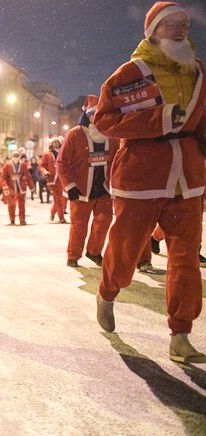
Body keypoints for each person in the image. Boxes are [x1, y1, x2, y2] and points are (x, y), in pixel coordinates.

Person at [94, 2, 206, 363]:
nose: (179, 29)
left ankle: (181, 335)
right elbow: (105, 121)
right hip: (140, 176)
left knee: (186, 259)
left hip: (187, 178)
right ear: (154, 31)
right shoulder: (130, 73)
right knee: (126, 251)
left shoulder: (200, 72)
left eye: (183, 23)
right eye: (170, 24)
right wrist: (157, 119)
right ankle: (108, 292)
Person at [57, 96, 119, 268]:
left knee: (104, 221)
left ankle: (94, 252)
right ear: (87, 115)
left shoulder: (112, 135)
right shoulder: (75, 133)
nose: (96, 117)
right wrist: (69, 186)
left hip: (104, 188)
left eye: (100, 113)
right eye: (93, 114)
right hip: (81, 189)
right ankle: (73, 255)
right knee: (79, 225)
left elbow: (118, 161)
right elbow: (62, 162)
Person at [0, 150, 34, 225]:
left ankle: (22, 220)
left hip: (21, 187)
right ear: (12, 156)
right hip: (11, 187)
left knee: (22, 205)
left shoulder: (23, 164)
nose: (16, 157)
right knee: (11, 204)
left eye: (17, 156)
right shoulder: (7, 165)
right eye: (14, 155)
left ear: (19, 156)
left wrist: (31, 187)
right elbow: (3, 176)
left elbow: (28, 176)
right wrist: (0, 186)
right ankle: (12, 219)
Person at [40, 138, 66, 223]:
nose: (56, 143)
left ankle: (52, 212)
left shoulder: (64, 152)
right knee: (58, 198)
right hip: (52, 179)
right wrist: (45, 171)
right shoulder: (47, 154)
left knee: (60, 199)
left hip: (62, 179)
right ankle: (61, 217)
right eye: (54, 142)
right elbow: (41, 165)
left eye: (57, 142)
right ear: (51, 143)